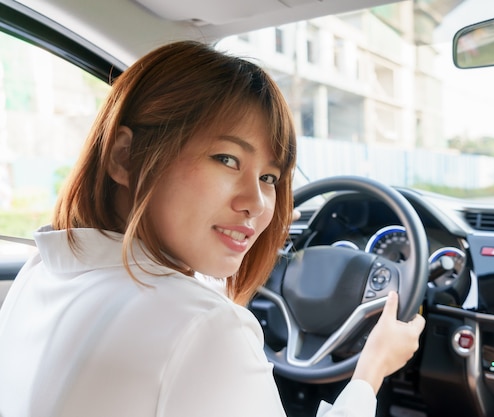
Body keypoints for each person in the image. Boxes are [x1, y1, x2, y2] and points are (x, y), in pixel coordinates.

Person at [0, 41, 425, 416]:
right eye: (226, 159)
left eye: (269, 178)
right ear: (125, 157)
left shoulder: (41, 271)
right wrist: (370, 372)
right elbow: (190, 326)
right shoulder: (206, 330)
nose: (257, 204)